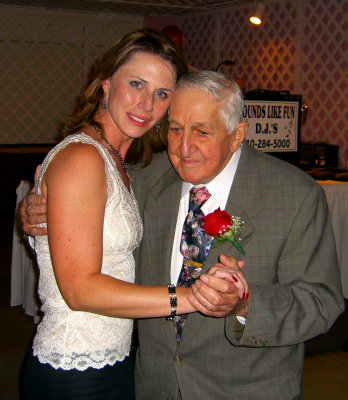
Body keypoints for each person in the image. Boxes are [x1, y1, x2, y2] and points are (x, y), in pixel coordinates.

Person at [21, 70, 344, 399]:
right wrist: (37, 212)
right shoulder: (144, 179)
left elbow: (321, 303)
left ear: (237, 134)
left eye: (201, 131)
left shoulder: (294, 194)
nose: (184, 147)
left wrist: (245, 305)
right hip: (154, 385)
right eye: (175, 129)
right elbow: (96, 239)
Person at [19, 31, 248, 400]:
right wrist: (191, 298)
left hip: (112, 359)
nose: (146, 104)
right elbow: (79, 290)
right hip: (74, 369)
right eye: (137, 84)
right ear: (106, 84)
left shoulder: (123, 163)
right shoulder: (83, 158)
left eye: (162, 94)